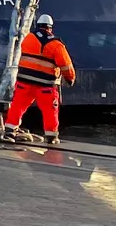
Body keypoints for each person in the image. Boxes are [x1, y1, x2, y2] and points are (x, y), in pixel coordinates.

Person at [4, 14, 76, 145]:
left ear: (37, 25)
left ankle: (9, 129)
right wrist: (70, 78)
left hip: (24, 83)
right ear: (50, 28)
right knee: (50, 111)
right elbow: (66, 65)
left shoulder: (28, 39)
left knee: (17, 106)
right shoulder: (56, 45)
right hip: (46, 86)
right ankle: (51, 137)